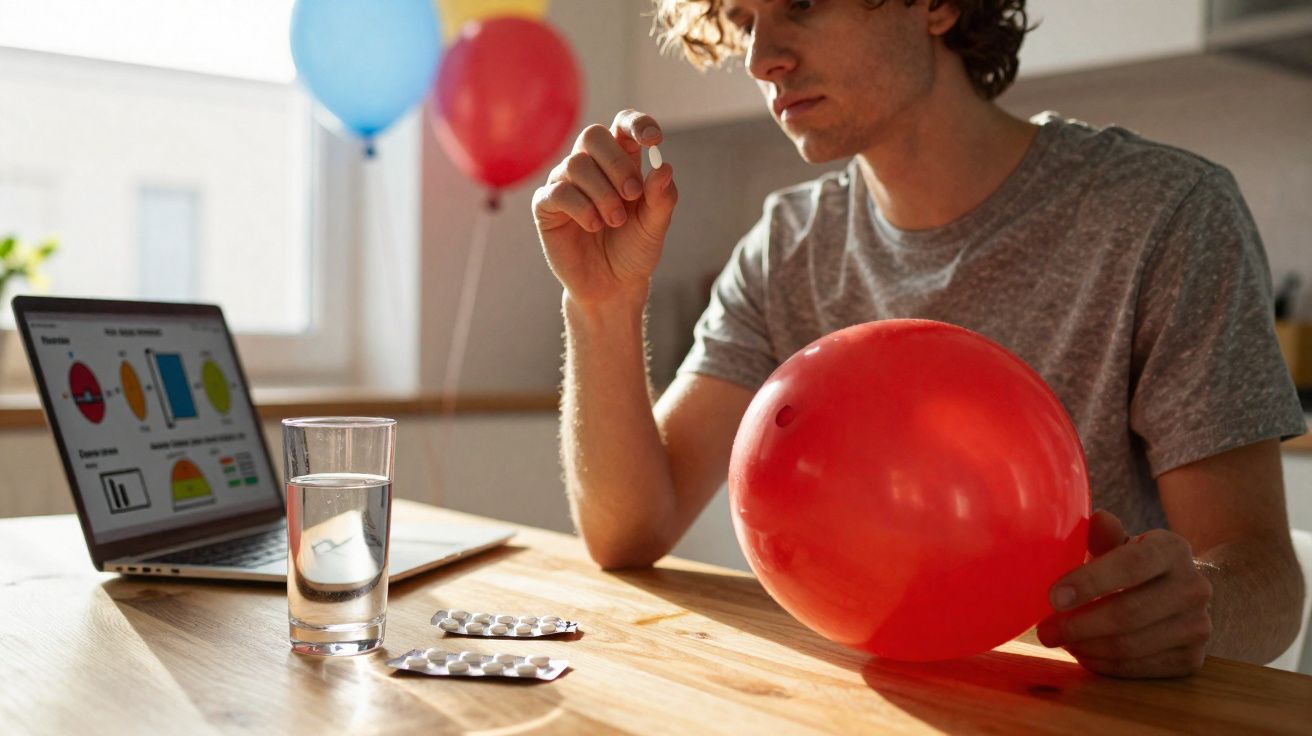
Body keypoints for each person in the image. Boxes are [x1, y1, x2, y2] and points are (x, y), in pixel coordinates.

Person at [531, 0, 1307, 679]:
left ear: (936, 4)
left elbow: (1266, 578)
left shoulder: (1167, 213)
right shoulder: (785, 247)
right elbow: (629, 531)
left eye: (802, 2)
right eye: (743, 21)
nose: (762, 59)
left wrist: (1194, 610)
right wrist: (602, 303)